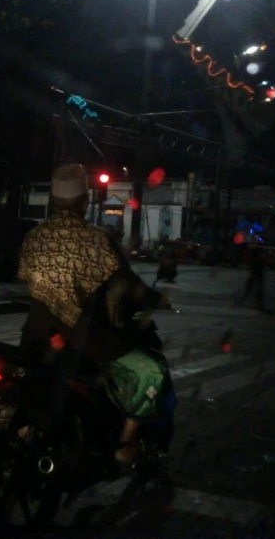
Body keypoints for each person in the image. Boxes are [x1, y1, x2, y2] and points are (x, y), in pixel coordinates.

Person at [18, 163, 174, 464]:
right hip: (83, 342)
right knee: (152, 369)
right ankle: (125, 443)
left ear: (53, 199)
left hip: (35, 336)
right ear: (84, 201)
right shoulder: (95, 240)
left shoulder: (33, 237)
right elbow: (126, 283)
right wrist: (155, 298)